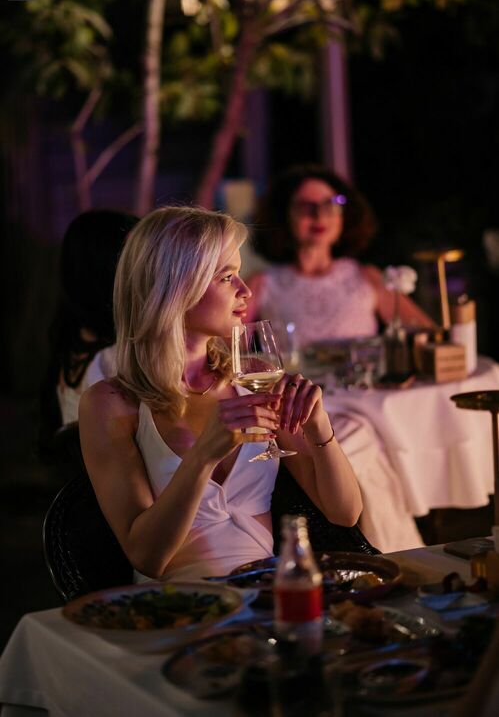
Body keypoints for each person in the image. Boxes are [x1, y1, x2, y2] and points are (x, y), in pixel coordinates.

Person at [79, 206, 363, 582]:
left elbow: (345, 513)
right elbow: (146, 557)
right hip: (183, 602)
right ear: (176, 287)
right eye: (227, 277)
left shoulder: (254, 379)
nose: (246, 290)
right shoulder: (111, 403)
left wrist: (320, 428)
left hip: (265, 591)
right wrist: (202, 457)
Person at [245, 164, 434, 346]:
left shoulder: (367, 278)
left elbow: (428, 335)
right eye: (306, 206)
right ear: (284, 215)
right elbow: (230, 348)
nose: (320, 216)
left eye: (331, 204)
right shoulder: (261, 284)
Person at [39, 209, 139, 446]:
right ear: (106, 269)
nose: (149, 267)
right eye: (135, 256)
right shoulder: (111, 359)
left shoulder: (79, 339)